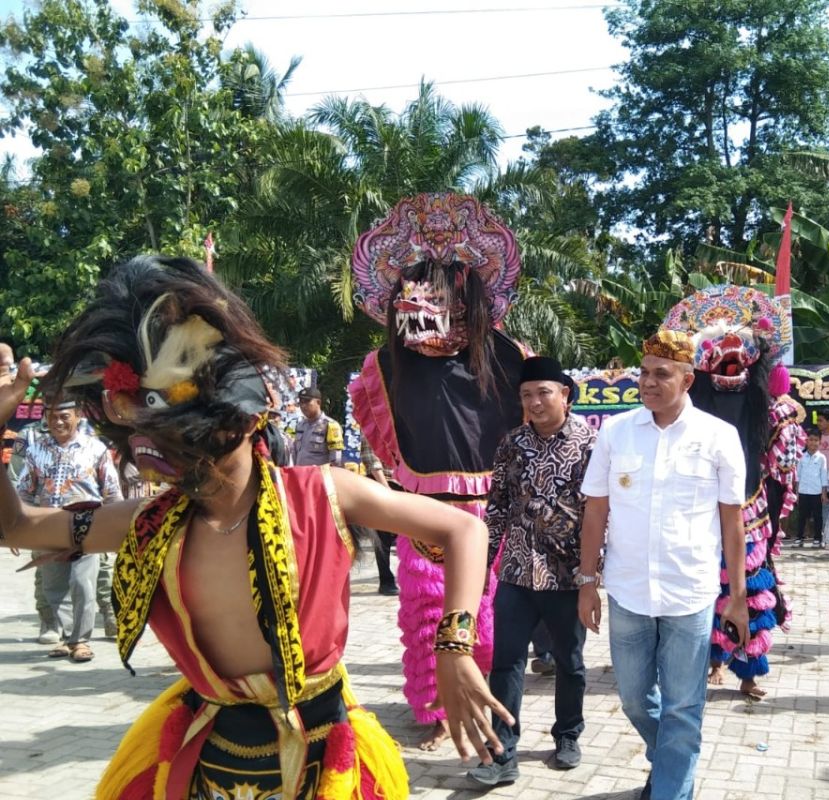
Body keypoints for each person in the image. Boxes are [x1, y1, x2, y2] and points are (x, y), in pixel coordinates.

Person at [0, 256, 511, 799]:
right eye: (160, 446)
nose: (183, 465)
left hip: (323, 758)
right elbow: (16, 525)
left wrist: (454, 647)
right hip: (209, 760)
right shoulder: (149, 523)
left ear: (250, 416)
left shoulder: (324, 492)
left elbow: (464, 531)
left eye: (190, 441)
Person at [349, 193, 525, 751]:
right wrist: (399, 474)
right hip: (422, 507)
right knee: (426, 616)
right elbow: (377, 422)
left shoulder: (506, 354)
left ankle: (485, 702)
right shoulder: (385, 362)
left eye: (440, 287)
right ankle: (436, 711)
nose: (423, 299)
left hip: (488, 509)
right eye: (414, 287)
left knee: (487, 615)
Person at [577, 330, 749, 800]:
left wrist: (737, 598)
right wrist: (587, 582)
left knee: (684, 705)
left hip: (689, 593)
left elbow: (732, 523)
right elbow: (596, 510)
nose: (647, 382)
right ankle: (675, 763)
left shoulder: (719, 437)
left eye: (661, 374)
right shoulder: (615, 433)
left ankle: (672, 788)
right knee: (633, 696)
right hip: (628, 591)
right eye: (643, 373)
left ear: (688, 380)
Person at [658, 284, 803, 700]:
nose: (730, 361)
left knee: (750, 589)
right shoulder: (687, 410)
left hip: (749, 507)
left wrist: (787, 421)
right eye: (720, 355)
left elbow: (783, 455)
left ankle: (748, 671)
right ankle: (710, 661)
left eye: (740, 354)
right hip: (699, 510)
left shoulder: (769, 408)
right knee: (702, 587)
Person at [467, 356, 595, 787]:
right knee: (505, 662)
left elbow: (601, 513)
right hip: (518, 572)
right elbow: (498, 504)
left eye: (544, 392)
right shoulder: (512, 444)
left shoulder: (591, 444)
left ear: (565, 394)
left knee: (571, 662)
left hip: (567, 575)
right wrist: (483, 563)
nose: (535, 402)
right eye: (526, 395)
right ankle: (502, 750)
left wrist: (593, 574)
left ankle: (568, 734)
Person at [17, 398, 123, 661]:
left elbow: (111, 492)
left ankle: (81, 641)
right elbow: (24, 493)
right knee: (55, 587)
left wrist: (118, 529)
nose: (58, 421)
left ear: (77, 415)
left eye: (64, 415)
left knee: (83, 584)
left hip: (87, 526)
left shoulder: (96, 449)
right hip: (47, 526)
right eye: (52, 416)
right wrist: (16, 530)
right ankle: (66, 639)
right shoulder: (34, 451)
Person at [358, 437, 398, 596]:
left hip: (404, 484)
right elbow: (372, 461)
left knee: (410, 538)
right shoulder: (372, 426)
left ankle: (413, 578)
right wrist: (387, 490)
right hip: (380, 484)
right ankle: (386, 580)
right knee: (382, 537)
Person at [291, 385, 344, 467]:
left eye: (307, 401)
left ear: (318, 402)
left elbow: (336, 460)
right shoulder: (300, 426)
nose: (303, 405)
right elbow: (295, 453)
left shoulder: (330, 425)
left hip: (319, 477)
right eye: (301, 402)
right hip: (300, 475)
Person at [795, 433, 828, 546]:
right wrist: (797, 493)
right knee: (802, 516)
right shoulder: (801, 456)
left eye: (816, 440)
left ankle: (817, 538)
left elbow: (823, 476)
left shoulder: (821, 458)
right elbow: (798, 476)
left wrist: (823, 494)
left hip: (816, 491)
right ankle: (799, 538)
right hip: (803, 491)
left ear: (819, 442)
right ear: (807, 441)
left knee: (817, 516)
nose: (813, 443)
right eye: (811, 440)